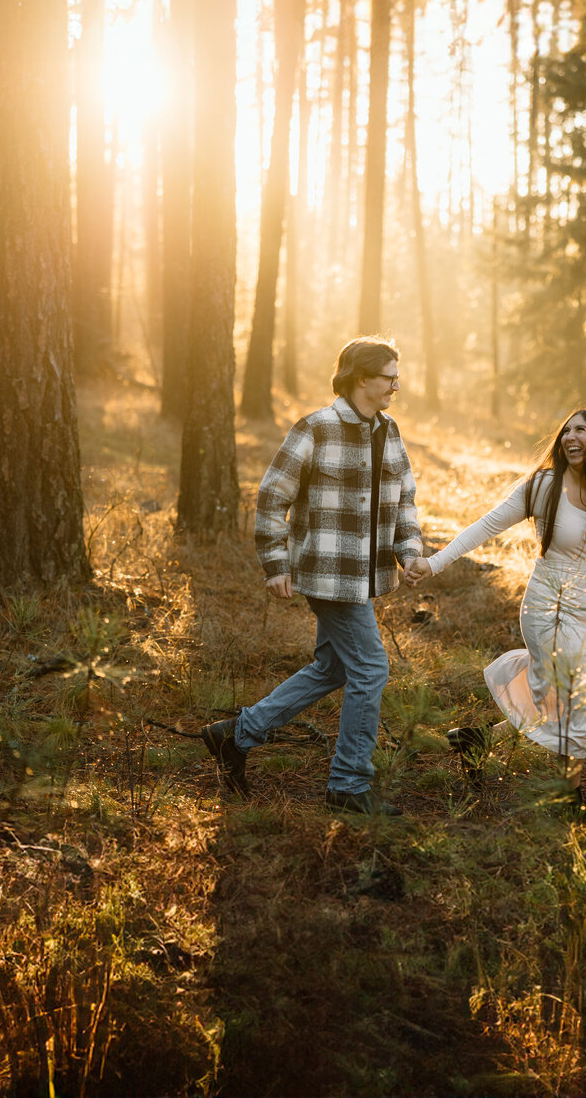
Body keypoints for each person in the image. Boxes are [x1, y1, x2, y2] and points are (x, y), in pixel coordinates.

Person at [203, 337, 423, 817]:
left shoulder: (391, 432)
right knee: (371, 669)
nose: (396, 386)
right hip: (327, 576)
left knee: (335, 668)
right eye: (389, 376)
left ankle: (235, 735)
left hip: (365, 578)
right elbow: (270, 496)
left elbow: (404, 501)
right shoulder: (316, 429)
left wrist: (409, 553)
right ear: (362, 377)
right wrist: (275, 563)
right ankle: (347, 782)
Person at [407, 409, 586, 812]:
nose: (571, 436)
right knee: (576, 700)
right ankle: (570, 799)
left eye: (581, 430)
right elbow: (486, 525)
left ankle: (478, 739)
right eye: (566, 430)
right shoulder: (543, 486)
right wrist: (434, 562)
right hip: (544, 609)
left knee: (558, 704)